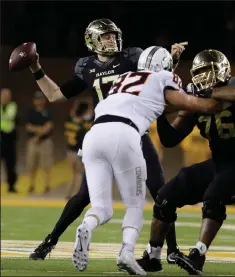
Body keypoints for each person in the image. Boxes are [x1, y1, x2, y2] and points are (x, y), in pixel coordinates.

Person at [27, 18, 185, 261]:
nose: (111, 39)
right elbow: (55, 95)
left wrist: (172, 61)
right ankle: (49, 241)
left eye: (113, 35)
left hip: (134, 132)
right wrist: (36, 68)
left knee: (160, 191)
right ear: (92, 40)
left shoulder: (130, 58)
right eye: (106, 36)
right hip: (107, 133)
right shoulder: (86, 67)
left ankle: (172, 250)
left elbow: (157, 78)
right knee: (83, 196)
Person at [72, 46, 225, 274]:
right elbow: (188, 103)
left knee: (101, 207)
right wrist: (215, 102)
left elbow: (149, 99)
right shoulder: (164, 77)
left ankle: (86, 226)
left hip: (93, 135)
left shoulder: (123, 78)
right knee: (135, 204)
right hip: (124, 133)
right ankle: (126, 252)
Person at [136, 49, 235, 275]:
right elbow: (170, 139)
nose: (203, 78)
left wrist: (207, 92)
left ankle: (198, 254)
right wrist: (160, 112)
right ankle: (153, 255)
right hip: (220, 164)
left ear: (222, 70)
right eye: (199, 74)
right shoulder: (197, 100)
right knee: (167, 195)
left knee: (214, 196)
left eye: (208, 72)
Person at [25, 91, 54, 194]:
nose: (39, 101)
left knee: (46, 165)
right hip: (32, 142)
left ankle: (47, 185)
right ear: (34, 101)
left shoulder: (48, 112)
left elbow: (48, 127)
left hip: (45, 142)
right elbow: (28, 127)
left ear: (44, 101)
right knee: (31, 165)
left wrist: (37, 133)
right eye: (37, 99)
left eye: (41, 99)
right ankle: (31, 185)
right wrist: (40, 130)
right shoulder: (30, 112)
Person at [64, 101, 90, 199]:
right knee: (78, 174)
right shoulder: (82, 127)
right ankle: (76, 195)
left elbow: (73, 112)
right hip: (77, 152)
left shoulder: (69, 122)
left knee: (72, 173)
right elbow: (82, 143)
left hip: (69, 151)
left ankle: (67, 194)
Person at [0, 88, 18, 193]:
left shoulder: (13, 106)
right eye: (3, 96)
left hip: (9, 139)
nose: (4, 98)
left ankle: (11, 186)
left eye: (6, 96)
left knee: (10, 164)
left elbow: (10, 117)